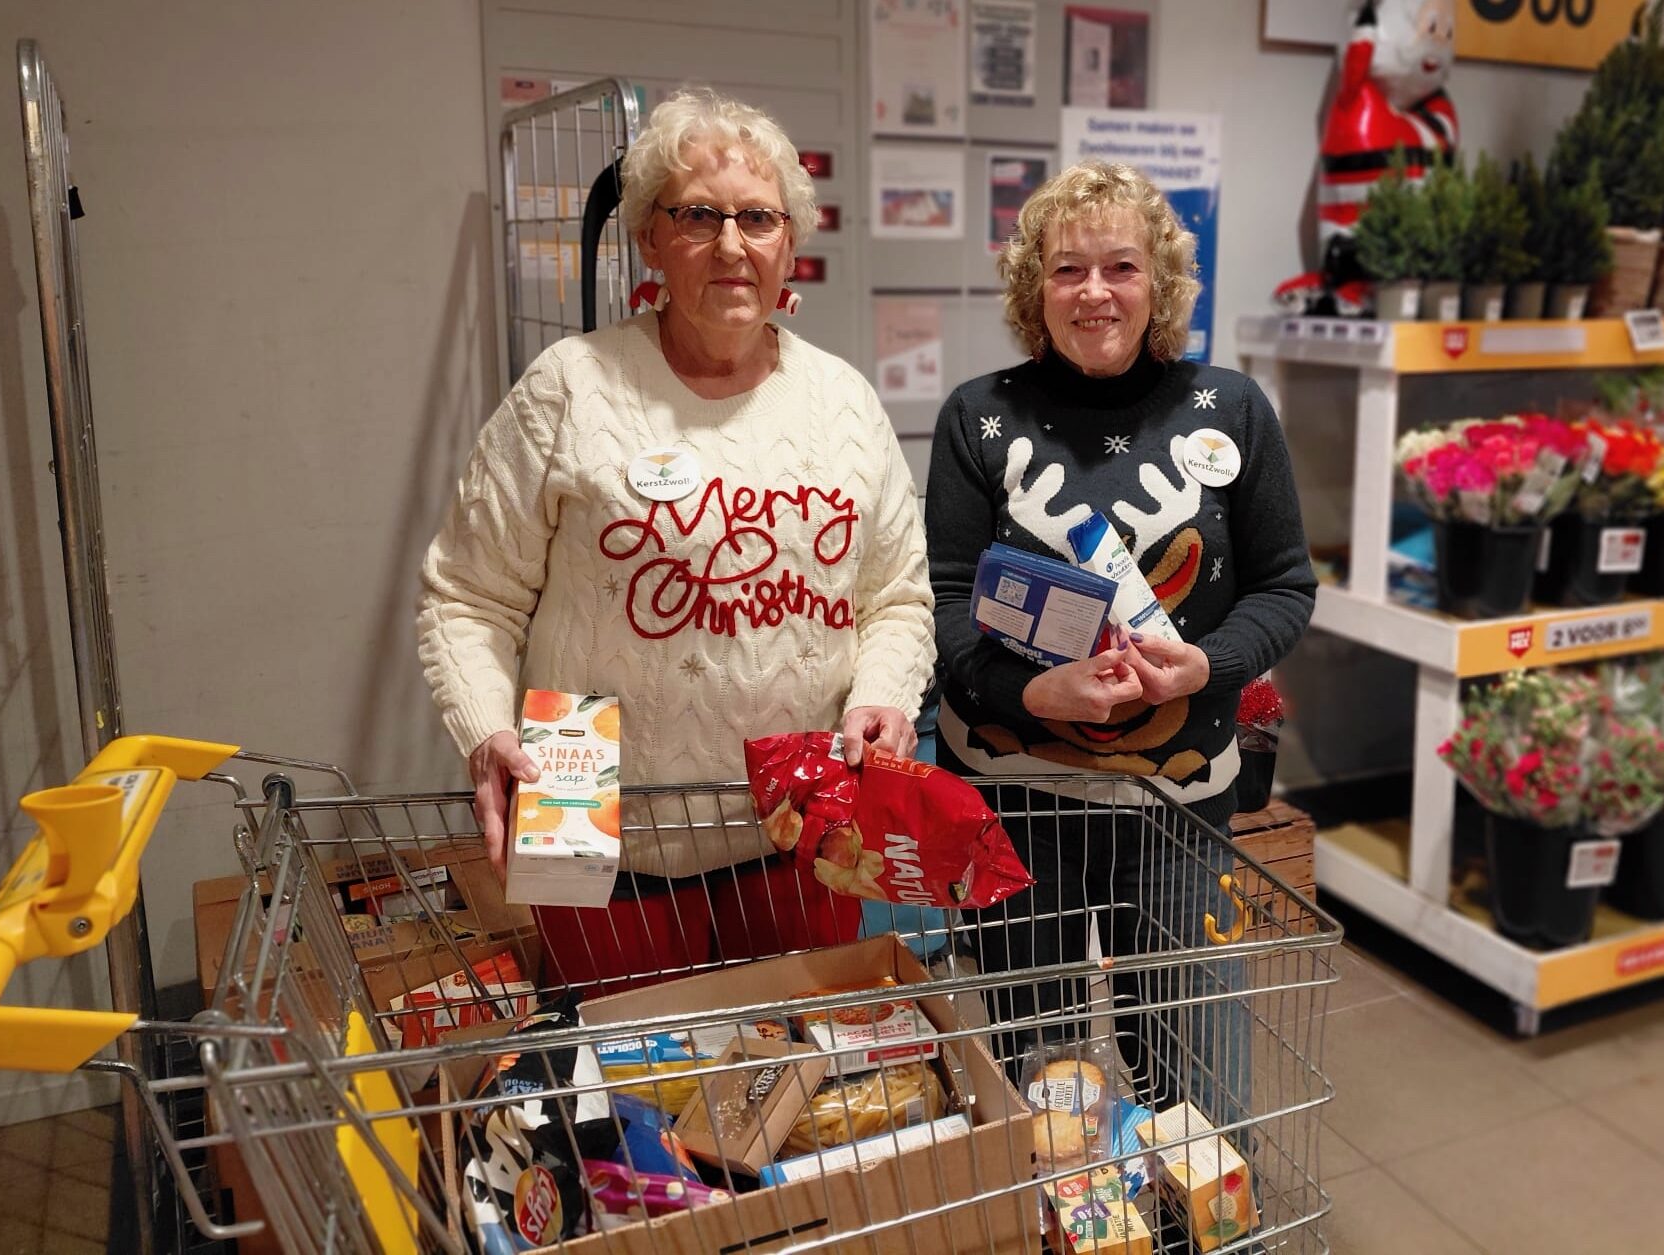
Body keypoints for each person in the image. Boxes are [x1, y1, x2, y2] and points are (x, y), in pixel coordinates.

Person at [418, 88, 934, 992]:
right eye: (699, 215)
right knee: (632, 1096)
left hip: (801, 819)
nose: (732, 244)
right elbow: (466, 595)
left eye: (759, 218)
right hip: (583, 804)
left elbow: (894, 597)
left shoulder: (844, 403)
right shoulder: (569, 388)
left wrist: (884, 694)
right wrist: (487, 731)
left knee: (805, 1081)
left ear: (790, 246)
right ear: (650, 238)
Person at [924, 161, 1316, 1131]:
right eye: (1066, 270)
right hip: (1017, 808)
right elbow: (941, 605)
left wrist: (1209, 663)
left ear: (1161, 284)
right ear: (1033, 289)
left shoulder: (1231, 411)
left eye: (1121, 267)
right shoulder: (978, 418)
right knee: (1043, 1082)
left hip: (1178, 809)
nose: (1094, 291)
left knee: (1197, 1078)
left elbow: (1285, 588)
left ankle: (1203, 1233)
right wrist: (1033, 695)